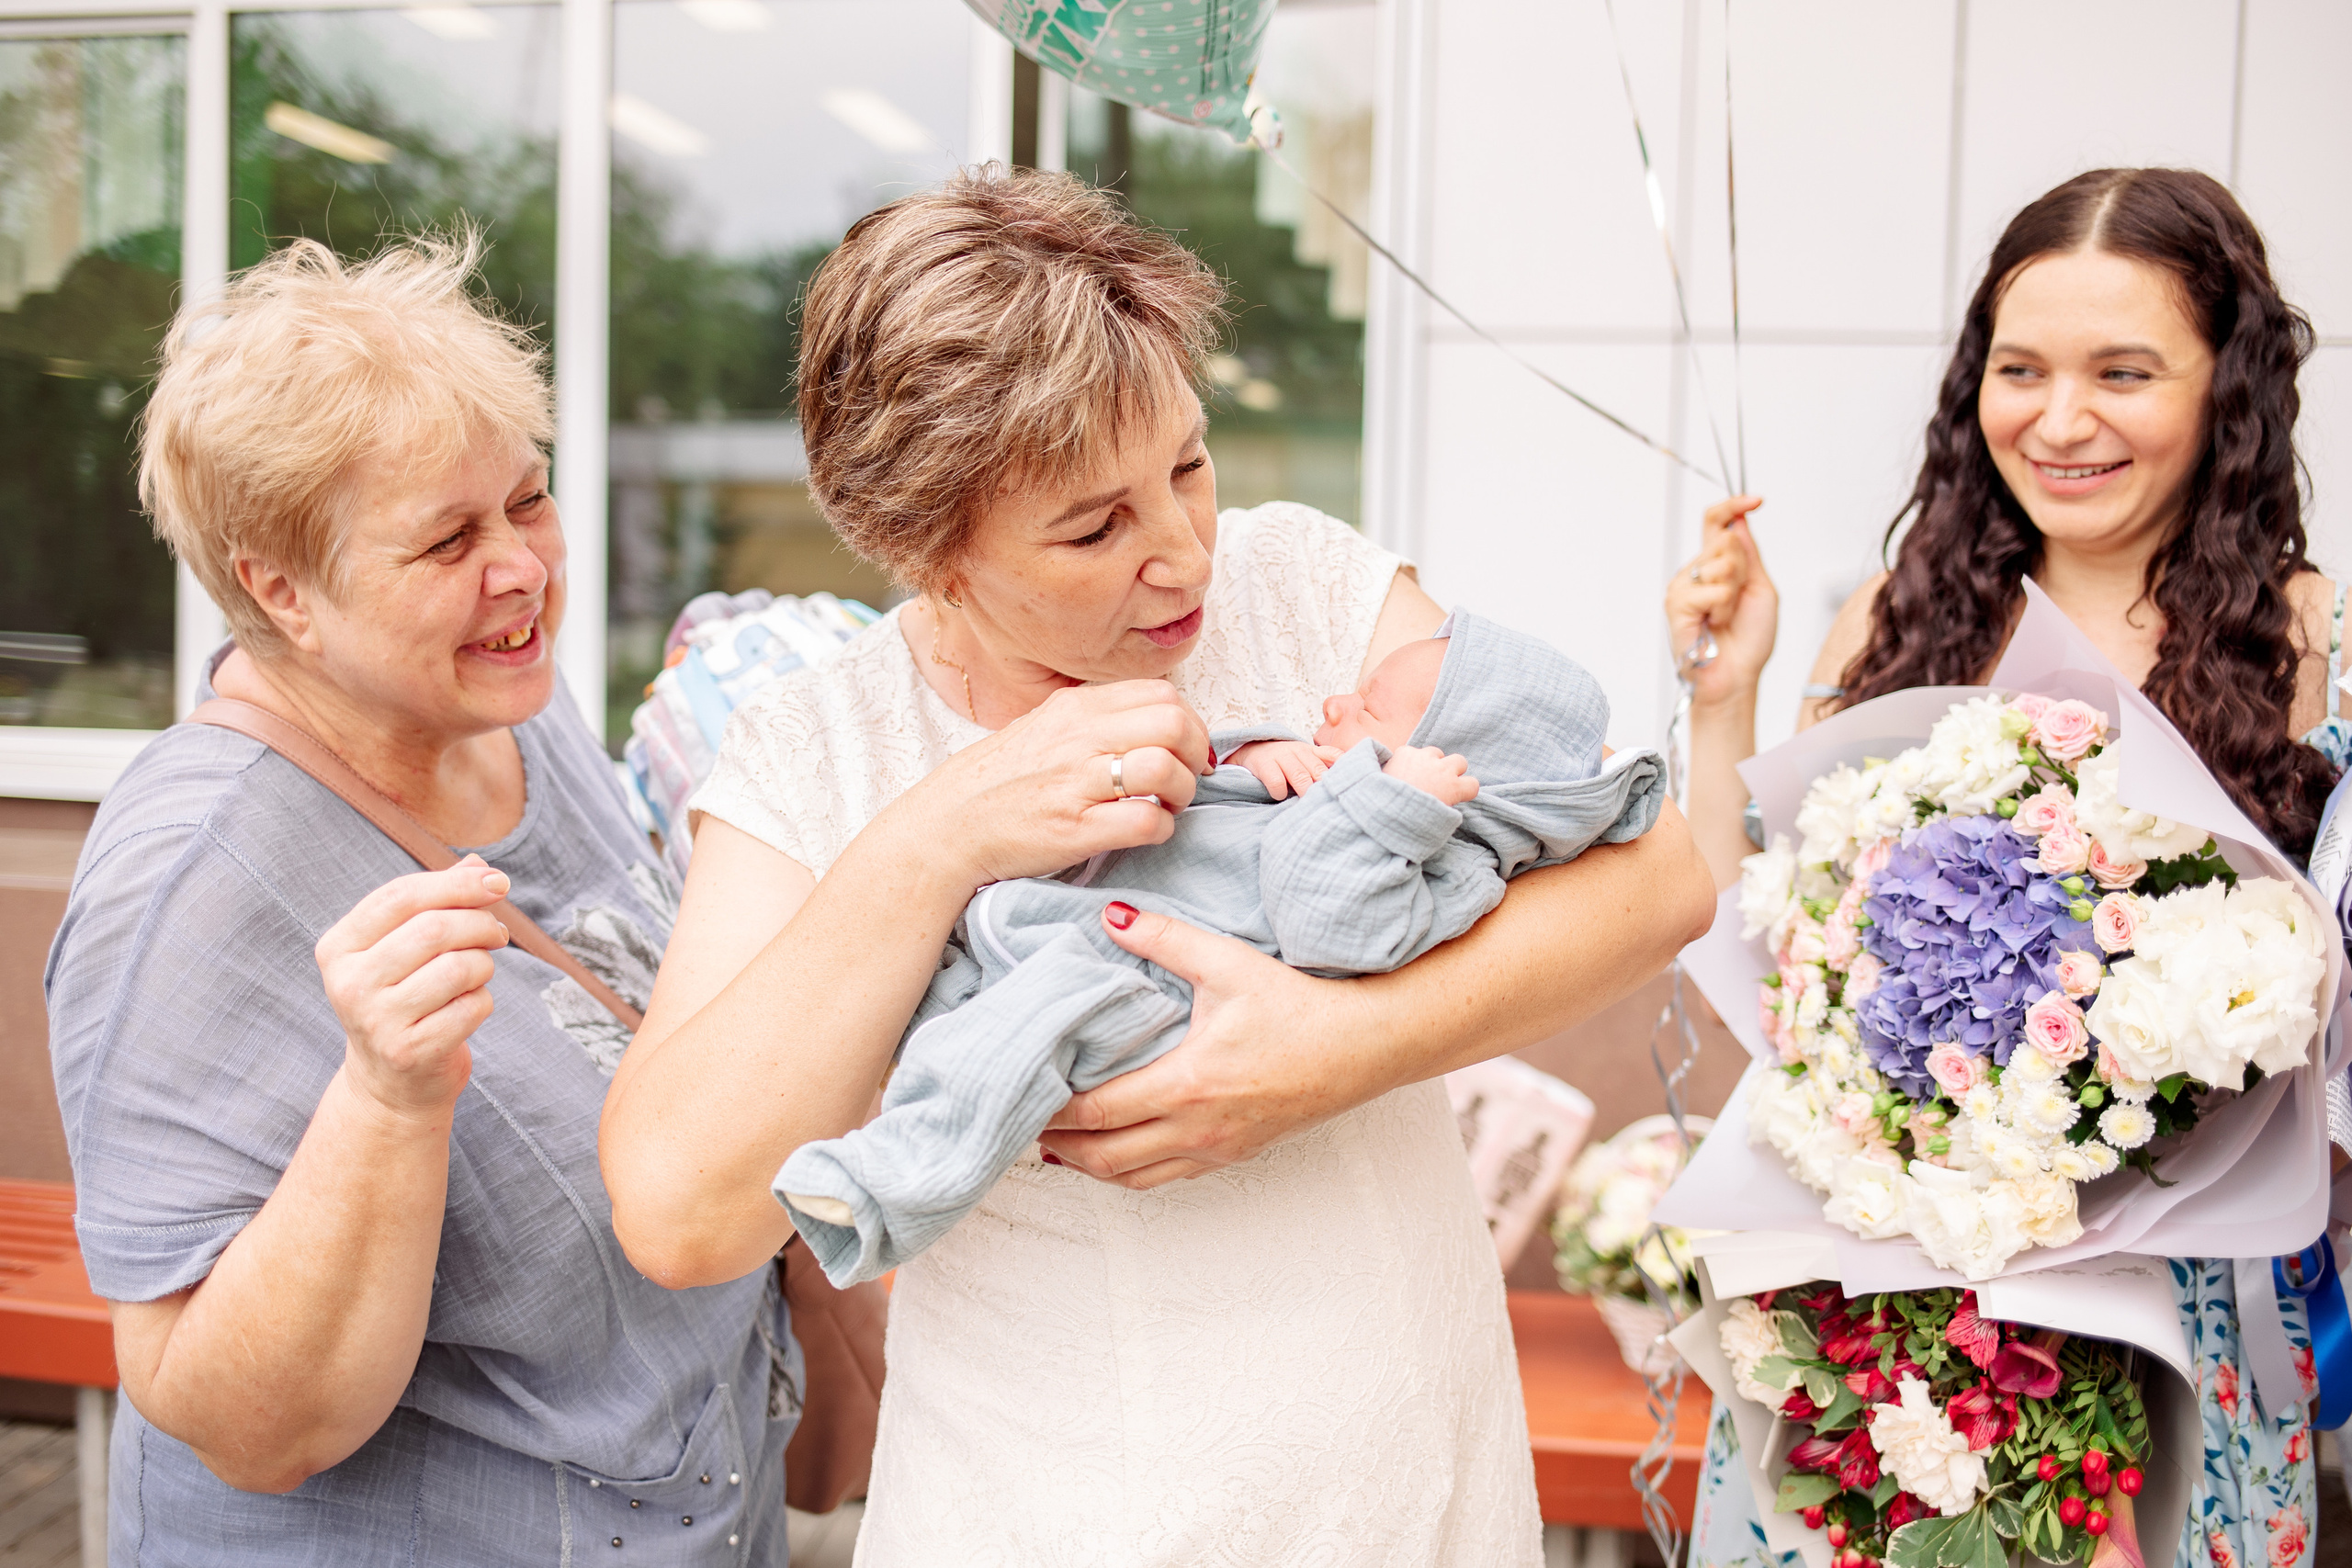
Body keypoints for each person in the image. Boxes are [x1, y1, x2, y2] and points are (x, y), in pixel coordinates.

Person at [599, 167, 1718, 1564]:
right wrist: (937, 836)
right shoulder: (819, 745)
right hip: (1048, 1516)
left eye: (1187, 464)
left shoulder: (1303, 588)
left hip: (1414, 1481)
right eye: (1093, 526)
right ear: (927, 549)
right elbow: (680, 1213)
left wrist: (1338, 1048)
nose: (1185, 554)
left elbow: (1659, 876)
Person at [44, 236, 795, 1562]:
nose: (522, 568)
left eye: (530, 499)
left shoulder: (510, 703)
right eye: (448, 539)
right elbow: (228, 1418)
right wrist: (385, 1101)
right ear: (281, 588)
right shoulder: (190, 870)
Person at [1666, 166, 2332, 1568]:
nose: (2060, 418)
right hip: (1878, 1300)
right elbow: (1766, 964)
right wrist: (1727, 699)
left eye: (2123, 372)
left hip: (2180, 1313)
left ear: (2229, 387)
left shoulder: (2308, 637)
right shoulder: (1893, 619)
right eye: (2021, 369)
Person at [775, 613, 1668, 1285]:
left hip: (1148, 991)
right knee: (939, 1007)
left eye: (1368, 708)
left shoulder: (1445, 865)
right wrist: (1258, 756)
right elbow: (1212, 813)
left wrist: (1391, 807)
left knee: (998, 1049)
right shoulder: (1338, 784)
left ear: (1448, 771)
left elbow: (1328, 925)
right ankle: (881, 1103)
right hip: (1071, 928)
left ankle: (887, 1189)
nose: (1334, 704)